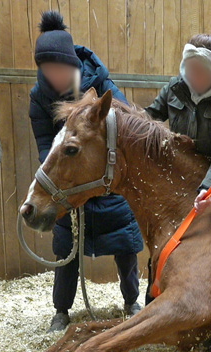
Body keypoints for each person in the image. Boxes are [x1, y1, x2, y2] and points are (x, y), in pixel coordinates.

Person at [29, 10, 144, 332]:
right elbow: (43, 140)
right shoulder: (40, 97)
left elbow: (124, 121)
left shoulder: (100, 83)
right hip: (68, 178)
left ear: (72, 64)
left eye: (60, 68)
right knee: (66, 245)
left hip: (104, 175)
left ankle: (131, 300)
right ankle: (61, 310)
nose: (55, 76)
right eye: (48, 70)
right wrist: (59, 172)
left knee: (125, 242)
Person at [145, 29, 211, 216]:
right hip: (176, 176)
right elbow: (148, 119)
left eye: (200, 72)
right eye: (189, 68)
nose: (192, 76)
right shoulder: (175, 88)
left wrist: (208, 188)